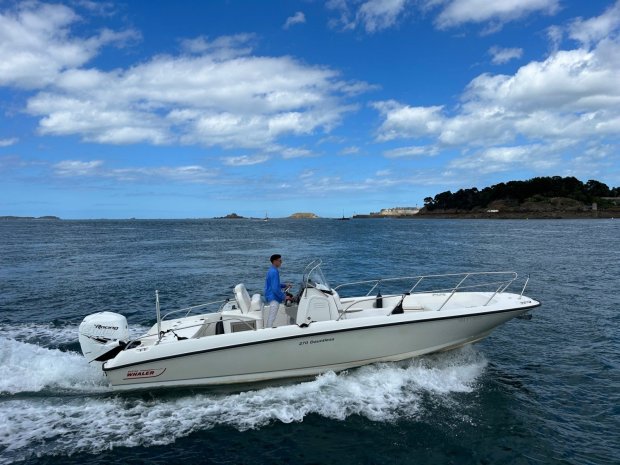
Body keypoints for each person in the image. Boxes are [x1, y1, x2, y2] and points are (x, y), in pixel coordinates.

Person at [264, 254, 291, 328]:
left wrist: (284, 285)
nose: (281, 262)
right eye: (280, 261)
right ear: (275, 261)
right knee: (272, 317)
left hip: (271, 295)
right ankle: (268, 333)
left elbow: (274, 284)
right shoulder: (274, 272)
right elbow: (275, 288)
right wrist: (284, 297)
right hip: (273, 297)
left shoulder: (272, 270)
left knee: (272, 317)